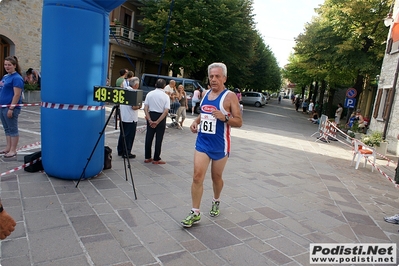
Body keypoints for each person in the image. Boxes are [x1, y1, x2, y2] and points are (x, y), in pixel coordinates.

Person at [181, 62, 242, 228]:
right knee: (197, 176)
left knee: (216, 177)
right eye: (211, 76)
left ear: (224, 78)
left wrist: (226, 118)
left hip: (220, 145)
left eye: (217, 76)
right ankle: (195, 212)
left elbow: (239, 121)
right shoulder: (206, 93)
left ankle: (216, 200)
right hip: (202, 142)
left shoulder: (229, 97)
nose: (214, 79)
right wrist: (195, 121)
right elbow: (204, 113)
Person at [0, 56, 24, 158]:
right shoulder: (6, 77)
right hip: (2, 106)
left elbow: (17, 94)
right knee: (7, 128)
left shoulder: (17, 78)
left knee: (13, 128)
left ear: (14, 65)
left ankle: (13, 150)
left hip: (10, 107)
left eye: (9, 65)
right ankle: (8, 147)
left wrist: (11, 108)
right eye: (5, 64)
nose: (7, 66)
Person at [143, 79, 170, 164]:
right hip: (160, 117)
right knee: (159, 138)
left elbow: (145, 108)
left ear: (155, 85)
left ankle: (147, 157)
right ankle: (156, 158)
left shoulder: (149, 94)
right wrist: (158, 121)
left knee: (149, 137)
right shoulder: (165, 96)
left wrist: (150, 119)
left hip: (151, 114)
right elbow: (166, 111)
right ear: (164, 86)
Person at [117, 77, 141, 158]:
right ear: (136, 85)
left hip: (123, 116)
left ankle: (120, 150)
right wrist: (139, 106)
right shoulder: (133, 92)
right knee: (129, 136)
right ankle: (127, 152)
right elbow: (134, 107)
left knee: (122, 134)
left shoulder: (124, 90)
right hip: (131, 118)